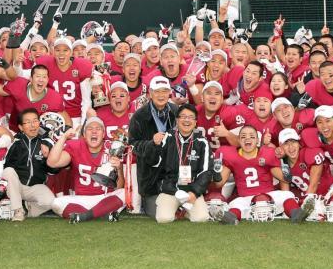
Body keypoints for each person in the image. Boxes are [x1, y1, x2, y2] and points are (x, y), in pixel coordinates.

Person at [212, 125, 313, 224]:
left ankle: (296, 214)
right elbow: (219, 183)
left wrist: (283, 163)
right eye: (243, 137)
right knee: (236, 204)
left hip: (268, 197)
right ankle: (230, 218)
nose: (248, 139)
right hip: (247, 199)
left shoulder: (267, 154)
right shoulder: (231, 156)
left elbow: (286, 179)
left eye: (252, 136)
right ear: (238, 140)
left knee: (286, 196)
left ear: (257, 140)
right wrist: (215, 173)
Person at [46, 117, 127, 223]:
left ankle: (84, 216)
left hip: (105, 198)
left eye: (98, 128)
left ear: (103, 134)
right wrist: (64, 137)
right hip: (81, 199)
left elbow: (119, 186)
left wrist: (119, 168)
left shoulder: (112, 148)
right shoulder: (75, 146)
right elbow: (52, 162)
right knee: (56, 203)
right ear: (84, 134)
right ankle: (101, 214)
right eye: (90, 128)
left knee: (125, 193)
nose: (94, 131)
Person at [149, 104, 213, 223]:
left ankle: (185, 212)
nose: (187, 120)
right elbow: (154, 164)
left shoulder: (202, 142)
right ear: (177, 120)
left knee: (201, 218)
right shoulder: (166, 138)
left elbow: (206, 172)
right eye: (183, 116)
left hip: (191, 190)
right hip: (170, 190)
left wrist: (194, 192)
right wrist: (154, 145)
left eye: (190, 117)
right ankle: (175, 208)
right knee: (163, 219)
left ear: (195, 122)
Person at [129, 76, 178, 216]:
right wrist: (152, 143)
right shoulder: (139, 116)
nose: (161, 95)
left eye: (164, 91)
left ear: (170, 92)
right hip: (151, 178)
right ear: (150, 93)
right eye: (157, 91)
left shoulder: (176, 111)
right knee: (157, 212)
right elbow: (133, 145)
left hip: (173, 174)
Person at [0, 109, 58, 221]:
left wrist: (48, 158)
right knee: (8, 171)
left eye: (35, 121)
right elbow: (7, 167)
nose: (32, 125)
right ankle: (18, 210)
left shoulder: (45, 143)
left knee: (51, 202)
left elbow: (53, 171)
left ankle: (26, 208)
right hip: (16, 186)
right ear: (21, 127)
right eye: (27, 122)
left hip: (36, 187)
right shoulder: (16, 143)